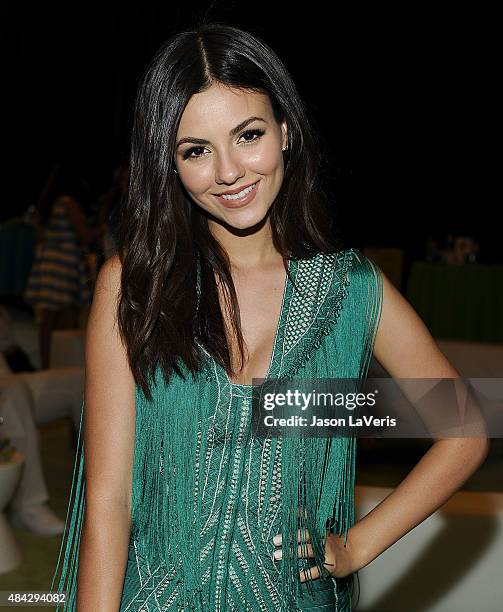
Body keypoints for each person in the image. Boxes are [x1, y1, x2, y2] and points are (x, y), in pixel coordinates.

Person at [50, 23, 489, 611]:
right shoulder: (134, 286)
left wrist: (356, 548)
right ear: (169, 163)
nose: (228, 171)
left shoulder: (349, 290)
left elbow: (463, 430)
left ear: (284, 133)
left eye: (247, 135)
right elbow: (109, 499)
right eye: (196, 151)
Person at [23, 163, 108, 369]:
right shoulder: (68, 203)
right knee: (63, 315)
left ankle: (47, 364)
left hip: (49, 262)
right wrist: (104, 227)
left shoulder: (50, 204)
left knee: (49, 320)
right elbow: (85, 236)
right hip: (63, 263)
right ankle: (60, 365)